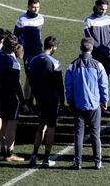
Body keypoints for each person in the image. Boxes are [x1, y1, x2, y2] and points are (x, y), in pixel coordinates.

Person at [65, 37, 109, 170]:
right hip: (94, 105)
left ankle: (77, 162)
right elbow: (103, 85)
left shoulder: (73, 65)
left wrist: (70, 100)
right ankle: (97, 161)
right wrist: (104, 100)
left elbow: (68, 85)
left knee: (78, 133)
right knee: (95, 133)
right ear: (92, 48)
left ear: (80, 48)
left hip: (78, 104)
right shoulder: (98, 65)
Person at [28, 36, 65, 168]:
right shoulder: (55, 62)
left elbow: (30, 81)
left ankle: (34, 155)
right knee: (51, 128)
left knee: (40, 126)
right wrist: (63, 101)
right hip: (52, 100)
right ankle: (46, 158)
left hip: (39, 99)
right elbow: (60, 84)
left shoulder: (34, 60)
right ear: (53, 47)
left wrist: (31, 99)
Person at [0, 34, 25, 161]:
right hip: (12, 97)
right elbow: (16, 84)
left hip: (0, 93)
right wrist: (23, 101)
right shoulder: (13, 63)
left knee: (4, 123)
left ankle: (2, 150)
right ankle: (10, 153)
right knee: (12, 125)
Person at [14, 0, 44, 113]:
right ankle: (28, 101)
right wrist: (19, 50)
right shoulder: (21, 19)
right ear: (28, 6)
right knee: (29, 76)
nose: (35, 9)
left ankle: (34, 100)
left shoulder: (41, 18)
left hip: (38, 51)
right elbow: (16, 36)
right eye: (33, 7)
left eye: (37, 7)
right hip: (27, 52)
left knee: (37, 76)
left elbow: (39, 33)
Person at [84, 0, 110, 77]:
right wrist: (101, 50)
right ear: (96, 6)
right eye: (101, 9)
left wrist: (107, 49)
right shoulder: (88, 20)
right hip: (95, 55)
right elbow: (90, 39)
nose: (103, 11)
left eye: (105, 9)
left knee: (106, 77)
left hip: (108, 55)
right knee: (95, 78)